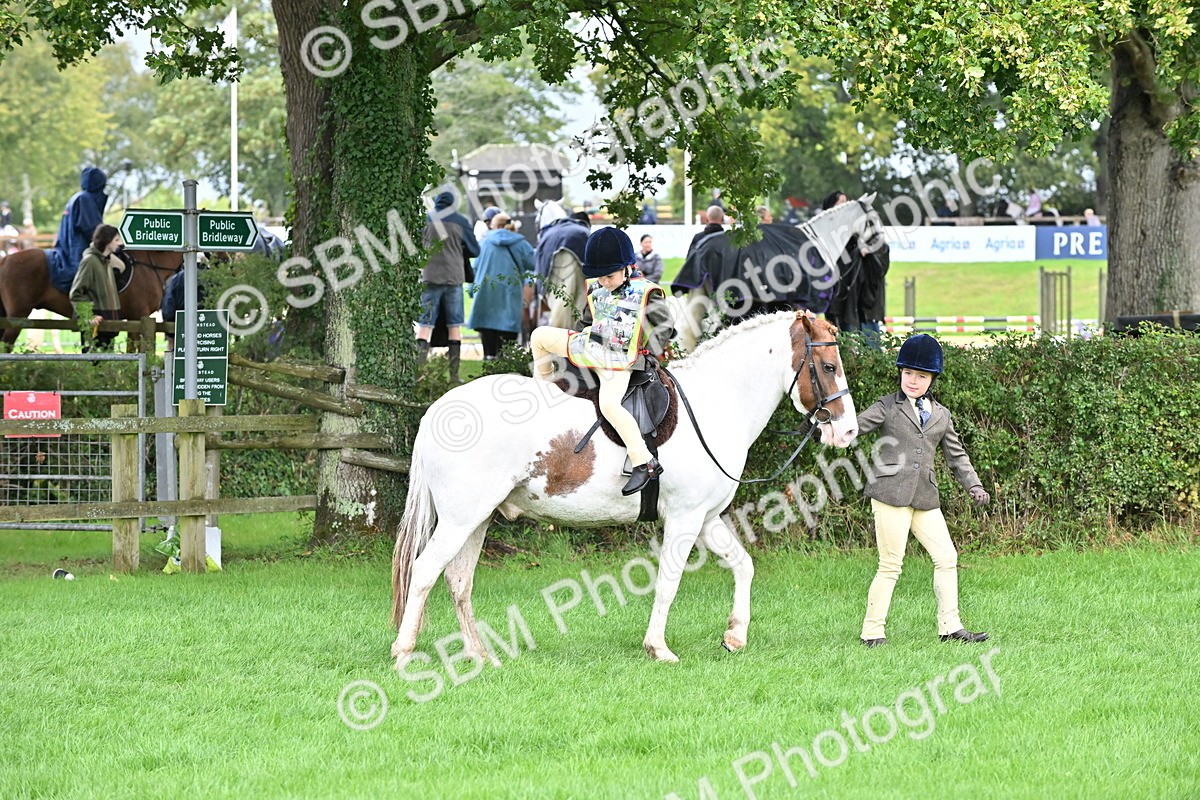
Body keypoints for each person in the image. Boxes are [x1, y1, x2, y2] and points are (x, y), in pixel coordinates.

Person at [855, 334, 991, 647]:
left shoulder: (941, 415)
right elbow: (854, 427)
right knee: (890, 565)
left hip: (924, 498)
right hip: (890, 494)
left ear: (931, 379)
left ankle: (950, 627)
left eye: (921, 376)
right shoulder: (887, 407)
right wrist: (825, 426)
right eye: (908, 374)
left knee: (947, 557)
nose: (913, 381)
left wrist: (974, 485)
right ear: (900, 373)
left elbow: (957, 456)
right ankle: (872, 632)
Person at [530, 227, 674, 496]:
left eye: (610, 275)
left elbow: (665, 325)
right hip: (591, 347)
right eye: (601, 276)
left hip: (619, 360)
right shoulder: (597, 286)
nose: (605, 282)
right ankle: (542, 386)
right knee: (539, 336)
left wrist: (649, 353)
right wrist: (575, 340)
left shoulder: (647, 291)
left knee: (609, 404)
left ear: (627, 267)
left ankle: (644, 461)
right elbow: (587, 321)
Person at [417, 190, 480, 383]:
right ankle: (454, 376)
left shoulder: (426, 219)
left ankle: (418, 374)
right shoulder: (460, 221)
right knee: (454, 326)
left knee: (425, 326)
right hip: (453, 278)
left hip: (429, 277)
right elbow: (475, 250)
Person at [468, 213, 535, 360]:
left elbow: (475, 267)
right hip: (510, 291)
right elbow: (532, 263)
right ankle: (505, 358)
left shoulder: (485, 242)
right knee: (508, 324)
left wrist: (471, 289)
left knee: (486, 324)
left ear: (495, 225)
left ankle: (489, 356)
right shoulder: (520, 243)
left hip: (485, 291)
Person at [68, 224, 126, 352]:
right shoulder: (90, 261)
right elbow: (76, 293)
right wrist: (89, 316)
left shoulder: (107, 261)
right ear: (107, 240)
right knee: (93, 366)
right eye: (116, 240)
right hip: (96, 328)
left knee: (106, 368)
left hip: (109, 327)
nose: (120, 243)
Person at [51, 167, 108, 292]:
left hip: (66, 247)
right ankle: (86, 311)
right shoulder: (85, 200)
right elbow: (94, 231)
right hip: (76, 251)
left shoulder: (77, 197)